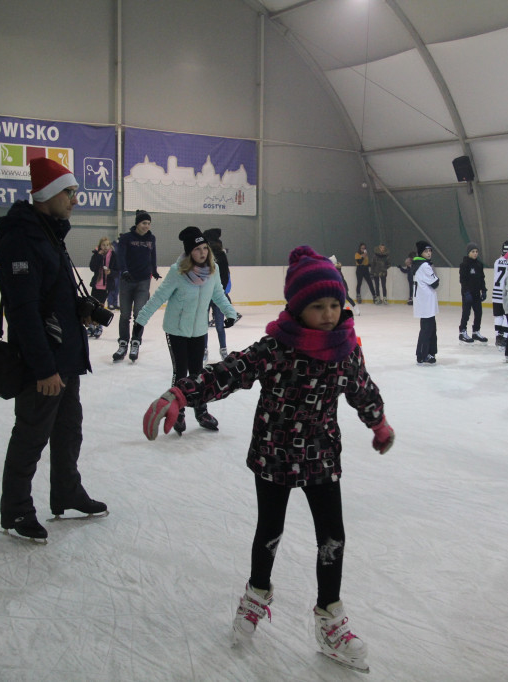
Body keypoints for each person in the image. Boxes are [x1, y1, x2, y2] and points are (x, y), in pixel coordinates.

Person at [141, 245, 393, 674]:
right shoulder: (277, 347)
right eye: (319, 306)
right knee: (269, 533)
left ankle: (329, 616)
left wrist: (378, 423)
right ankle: (257, 595)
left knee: (333, 537)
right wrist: (184, 392)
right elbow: (230, 370)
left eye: (335, 304)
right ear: (298, 308)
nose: (330, 314)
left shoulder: (344, 349)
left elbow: (361, 388)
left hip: (321, 457)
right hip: (274, 456)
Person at [0, 157, 107, 542]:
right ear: (47, 195)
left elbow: (49, 298)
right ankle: (17, 509)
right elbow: (23, 311)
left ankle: (67, 492)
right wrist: (43, 369)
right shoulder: (21, 239)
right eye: (70, 192)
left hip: (66, 359)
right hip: (42, 364)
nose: (75, 199)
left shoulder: (47, 233)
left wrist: (81, 310)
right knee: (31, 436)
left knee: (68, 431)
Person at [134, 226, 238, 434]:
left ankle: (201, 411)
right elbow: (157, 299)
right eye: (198, 249)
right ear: (190, 252)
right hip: (176, 330)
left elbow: (218, 294)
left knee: (198, 374)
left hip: (199, 330)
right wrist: (139, 323)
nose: (203, 253)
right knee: (181, 372)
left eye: (205, 249)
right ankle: (179, 411)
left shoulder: (213, 270)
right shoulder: (177, 272)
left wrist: (231, 313)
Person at [113, 210, 160, 363]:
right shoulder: (126, 238)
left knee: (140, 314)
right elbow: (120, 256)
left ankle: (135, 342)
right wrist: (124, 270)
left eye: (148, 223)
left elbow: (152, 255)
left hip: (143, 281)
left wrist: (154, 270)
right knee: (125, 315)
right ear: (137, 224)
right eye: (144, 223)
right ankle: (123, 343)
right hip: (127, 280)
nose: (146, 226)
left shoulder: (151, 238)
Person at [203, 228, 232, 360]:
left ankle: (223, 349)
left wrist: (220, 292)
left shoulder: (220, 255)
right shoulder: (203, 255)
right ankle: (204, 350)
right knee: (205, 326)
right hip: (205, 296)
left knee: (219, 326)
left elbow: (225, 275)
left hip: (216, 296)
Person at [412, 241, 440, 364]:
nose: (429, 253)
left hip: (425, 302)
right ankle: (422, 355)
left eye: (430, 251)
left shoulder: (421, 264)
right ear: (421, 253)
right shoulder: (424, 266)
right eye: (426, 251)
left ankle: (428, 352)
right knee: (427, 329)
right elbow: (435, 283)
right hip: (425, 303)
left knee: (430, 328)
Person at [458, 243, 489, 343]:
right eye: (473, 252)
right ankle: (462, 332)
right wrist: (466, 293)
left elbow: (481, 279)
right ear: (468, 253)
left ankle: (476, 332)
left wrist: (483, 290)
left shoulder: (479, 265)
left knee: (479, 313)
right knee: (466, 314)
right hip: (467, 294)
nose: (475, 253)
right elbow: (463, 280)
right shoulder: (464, 265)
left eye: (476, 251)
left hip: (476, 294)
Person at [87, 237, 114, 339]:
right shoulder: (96, 255)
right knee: (91, 305)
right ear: (100, 246)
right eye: (103, 245)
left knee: (100, 307)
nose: (106, 247)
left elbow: (116, 270)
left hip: (106, 286)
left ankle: (99, 326)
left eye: (107, 245)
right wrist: (98, 255)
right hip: (96, 285)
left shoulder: (113, 256)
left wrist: (110, 272)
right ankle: (90, 326)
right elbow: (92, 267)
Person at [491, 239, 508, 348]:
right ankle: (505, 337)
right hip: (505, 292)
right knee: (506, 315)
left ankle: (498, 337)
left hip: (495, 293)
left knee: (498, 315)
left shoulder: (497, 261)